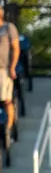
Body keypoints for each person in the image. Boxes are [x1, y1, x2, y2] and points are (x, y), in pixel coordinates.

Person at [0, 8, 18, 137]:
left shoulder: (8, 27)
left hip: (3, 69)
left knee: (6, 100)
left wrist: (12, 67)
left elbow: (16, 49)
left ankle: (8, 129)